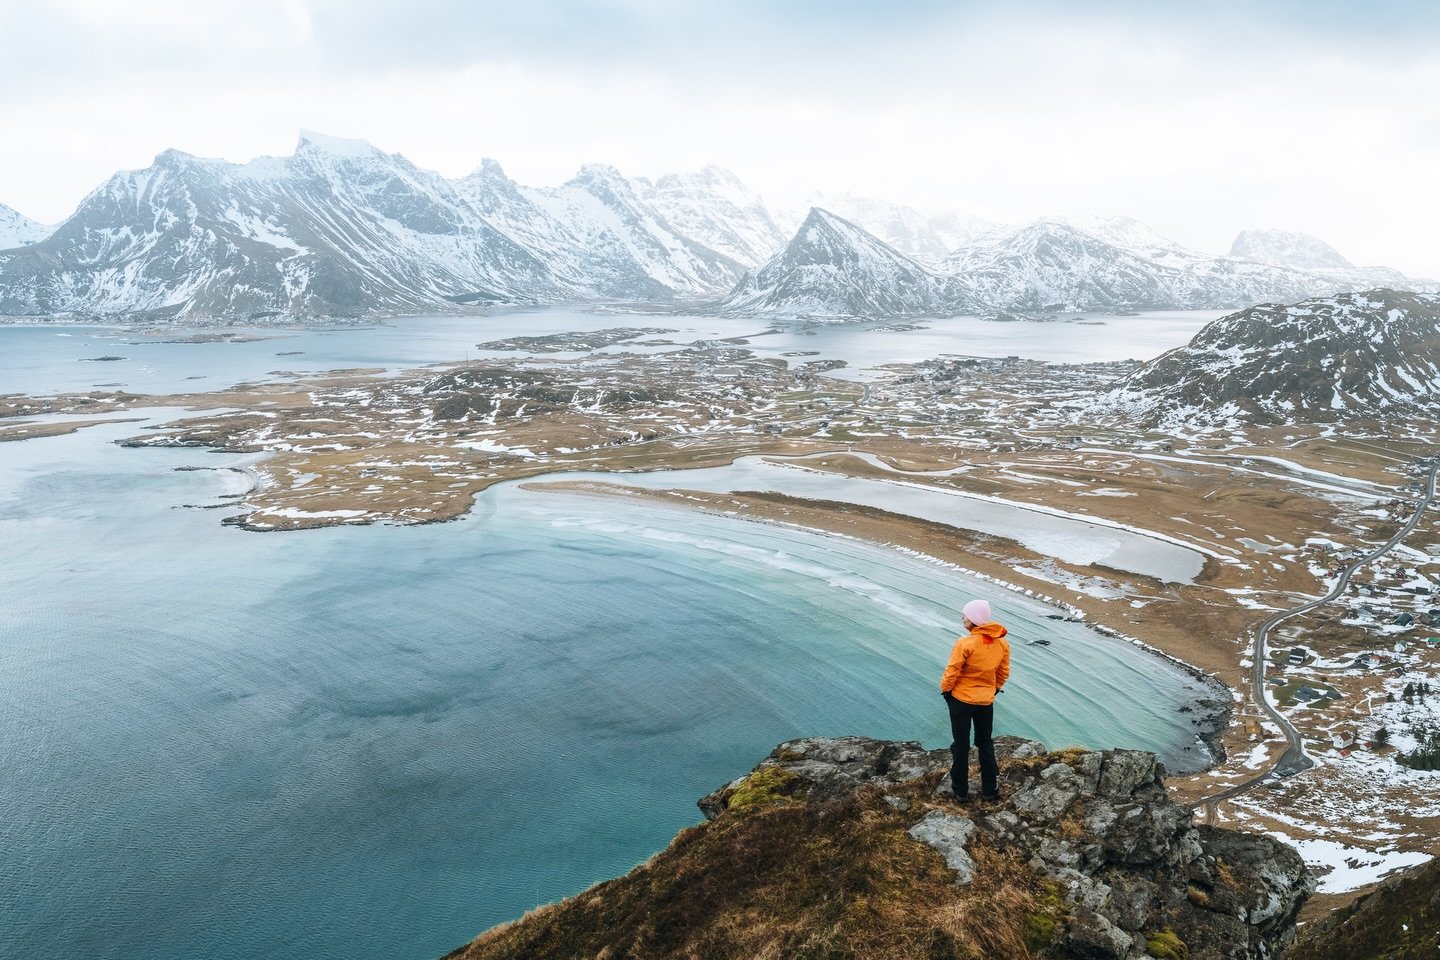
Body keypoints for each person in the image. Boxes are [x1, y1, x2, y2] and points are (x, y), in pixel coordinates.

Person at [940, 598, 1011, 801]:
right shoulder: (1003, 644)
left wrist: (946, 691)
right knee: (985, 744)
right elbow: (1003, 672)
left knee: (961, 746)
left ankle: (961, 792)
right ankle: (991, 790)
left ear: (974, 620)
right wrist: (994, 689)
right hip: (985, 702)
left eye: (966, 616)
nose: (963, 618)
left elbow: (952, 671)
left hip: (960, 700)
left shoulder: (965, 643)